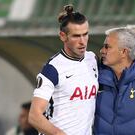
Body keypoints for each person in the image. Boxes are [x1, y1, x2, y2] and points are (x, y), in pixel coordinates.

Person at [28, 4, 98, 135]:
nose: (83, 41)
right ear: (62, 36)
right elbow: (34, 116)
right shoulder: (52, 69)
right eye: (76, 36)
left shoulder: (92, 59)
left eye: (85, 34)